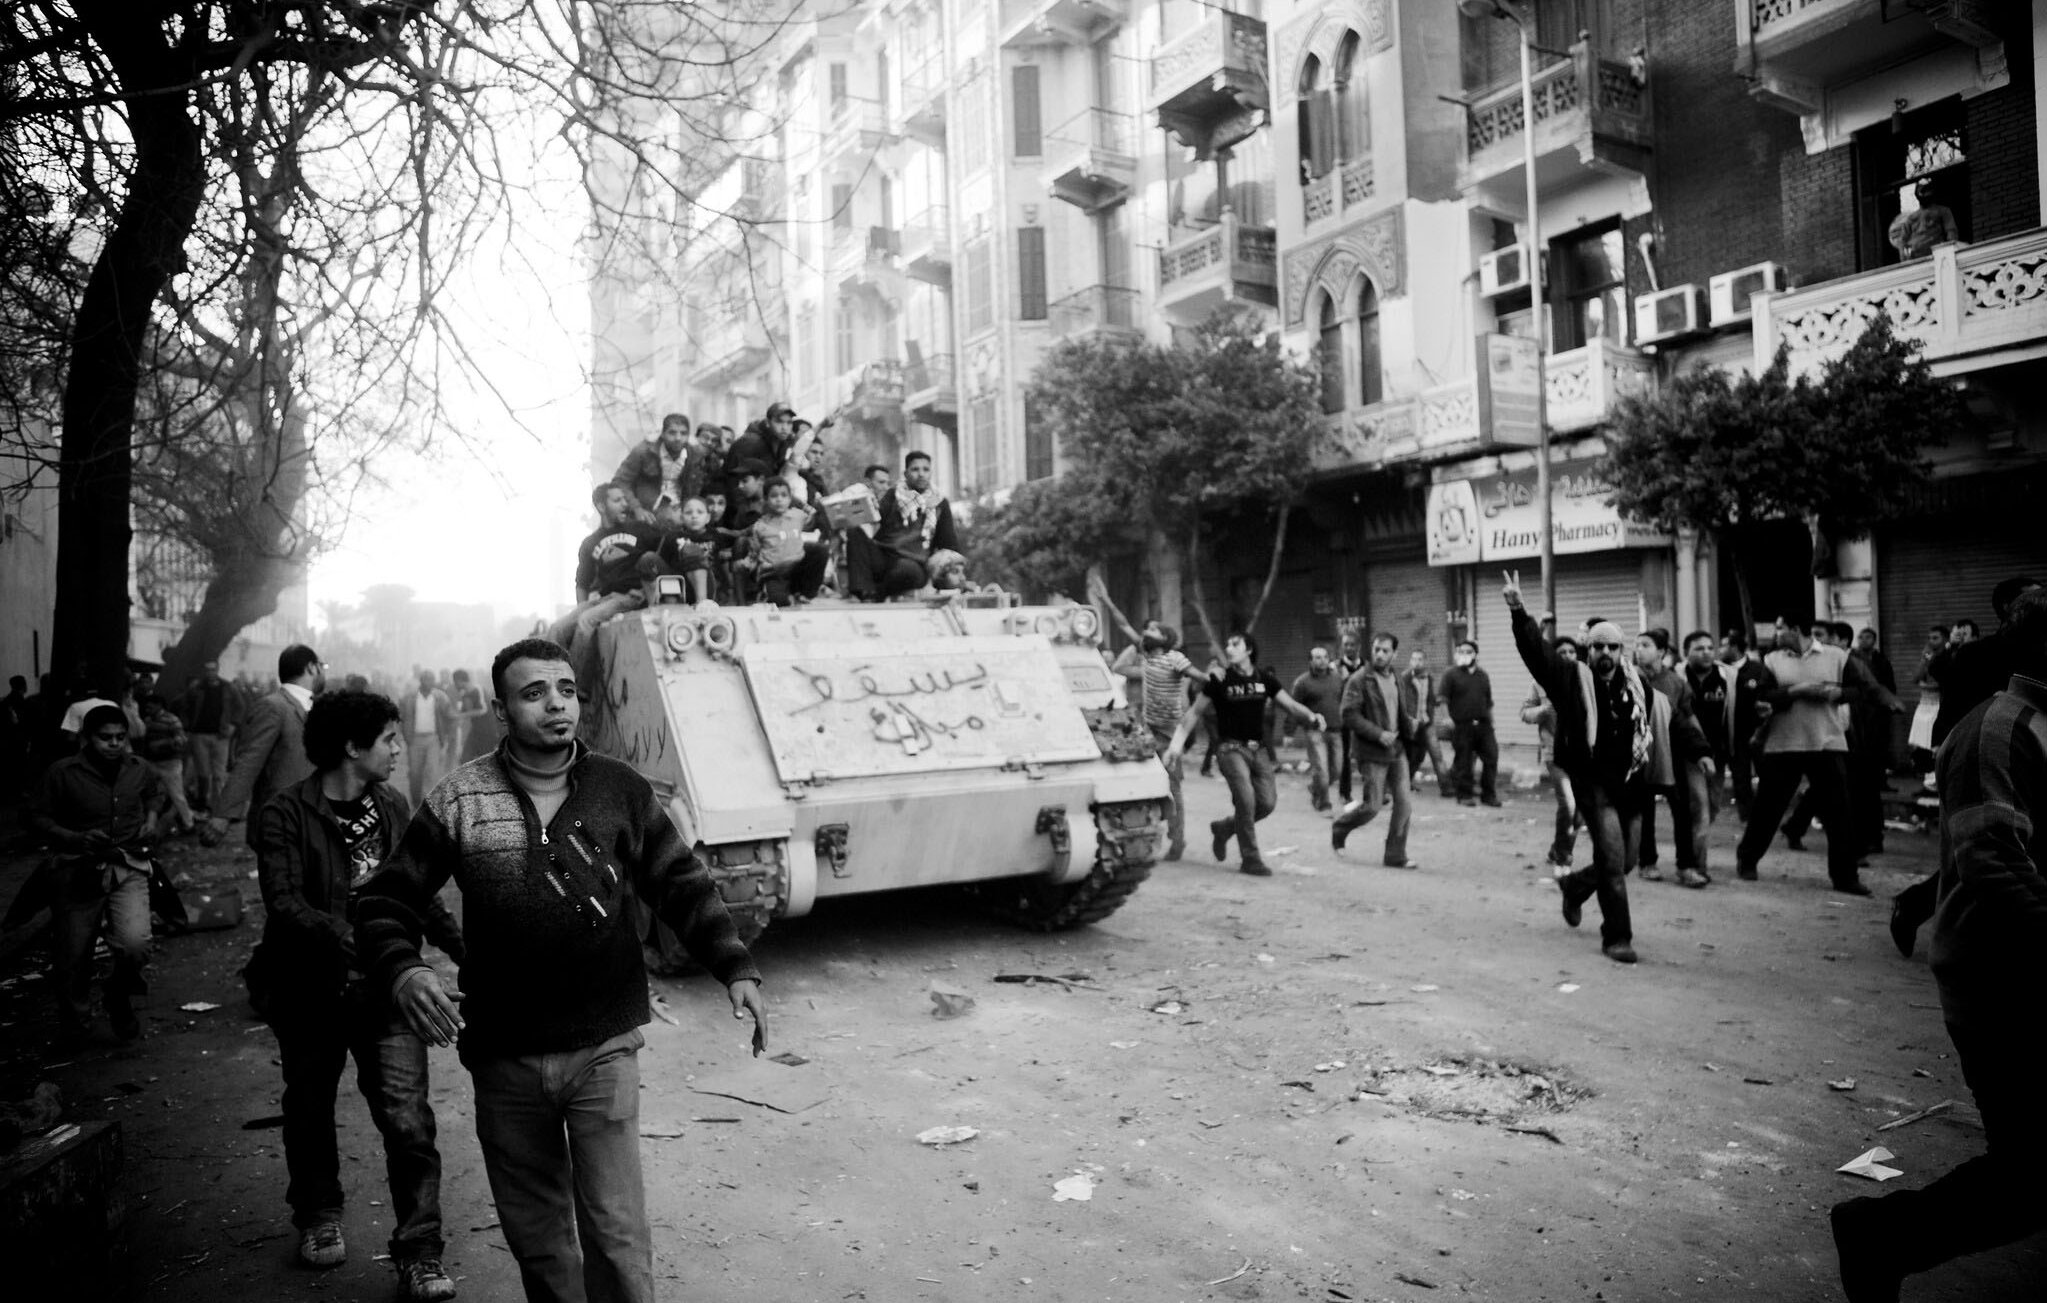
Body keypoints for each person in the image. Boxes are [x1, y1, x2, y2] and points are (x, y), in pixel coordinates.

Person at [354, 639, 767, 1303]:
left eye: (567, 690)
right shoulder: (462, 798)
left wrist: (734, 963)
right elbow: (383, 897)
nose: (556, 704)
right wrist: (403, 969)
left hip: (602, 1047)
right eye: (534, 692)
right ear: (501, 710)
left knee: (617, 1233)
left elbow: (680, 881)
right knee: (541, 1242)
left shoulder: (618, 790)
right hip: (504, 1056)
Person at [1829, 588, 2047, 1303]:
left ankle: (1880, 1235)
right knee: (2029, 1173)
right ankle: (1880, 1235)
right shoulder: (1999, 728)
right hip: (2003, 986)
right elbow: (1990, 856)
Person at [253, 690, 463, 1299]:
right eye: (390, 739)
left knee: (409, 1122)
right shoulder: (284, 813)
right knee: (310, 1107)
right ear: (352, 747)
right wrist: (359, 940)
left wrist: (466, 951)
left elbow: (417, 894)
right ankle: (318, 1215)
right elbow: (286, 903)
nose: (400, 749)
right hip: (310, 991)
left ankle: (420, 1253)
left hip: (386, 995)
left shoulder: (394, 806)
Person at [1504, 575, 1676, 965]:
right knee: (1614, 860)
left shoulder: (1638, 687)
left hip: (1631, 786)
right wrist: (1518, 611)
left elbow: (1666, 723)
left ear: (1621, 651)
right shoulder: (1570, 678)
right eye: (1597, 645)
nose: (1605, 653)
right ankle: (1617, 937)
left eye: (1613, 647)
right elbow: (1536, 653)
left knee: (1628, 860)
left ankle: (1575, 886)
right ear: (1588, 647)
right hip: (1593, 783)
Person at [1890, 577, 2042, 957]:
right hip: (1975, 761)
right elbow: (1950, 694)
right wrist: (1945, 744)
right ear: (2012, 609)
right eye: (2034, 596)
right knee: (1979, 849)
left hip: (2002, 759)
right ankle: (1924, 914)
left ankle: (1917, 908)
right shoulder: (1979, 658)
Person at [28, 705, 168, 1042]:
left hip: (128, 865)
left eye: (121, 737)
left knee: (136, 944)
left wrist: (150, 822)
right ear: (87, 738)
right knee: (74, 955)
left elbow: (156, 793)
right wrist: (74, 837)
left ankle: (118, 995)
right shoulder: (61, 773)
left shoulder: (139, 768)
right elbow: (35, 817)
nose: (114, 744)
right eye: (106, 738)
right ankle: (76, 1025)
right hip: (77, 870)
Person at [1162, 632, 1329, 878]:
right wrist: (1175, 747)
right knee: (1246, 800)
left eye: (1235, 644)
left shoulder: (1265, 679)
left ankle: (1225, 828)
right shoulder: (1219, 680)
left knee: (1267, 803)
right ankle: (1250, 859)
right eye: (1227, 644)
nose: (1229, 648)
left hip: (1258, 750)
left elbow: (1291, 706)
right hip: (1230, 749)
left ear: (1249, 649)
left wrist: (1313, 718)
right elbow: (1193, 714)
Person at [1733, 616, 1879, 895]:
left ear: (1795, 629)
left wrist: (1838, 693)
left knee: (1839, 814)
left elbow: (1862, 690)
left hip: (1827, 742)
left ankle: (1845, 877)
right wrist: (1797, 691)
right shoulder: (1773, 659)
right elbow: (1764, 696)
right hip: (1784, 742)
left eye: (1780, 628)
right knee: (1768, 808)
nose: (1776, 634)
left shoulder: (1837, 656)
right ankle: (1748, 859)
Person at [208, 645, 323, 849]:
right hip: (280, 823)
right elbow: (249, 762)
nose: (324, 672)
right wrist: (223, 815)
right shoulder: (273, 707)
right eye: (322, 666)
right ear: (311, 668)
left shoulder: (316, 707)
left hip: (311, 822)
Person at [1109, 620, 1201, 860]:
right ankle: (1141, 836)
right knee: (1141, 786)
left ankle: (1177, 839)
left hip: (1171, 734)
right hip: (1147, 730)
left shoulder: (1175, 661)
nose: (1145, 633)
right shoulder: (1148, 663)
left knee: (1172, 788)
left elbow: (1194, 684)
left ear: (1165, 639)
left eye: (1152, 630)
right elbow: (1120, 663)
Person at [1631, 629, 1716, 890]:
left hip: (1672, 753)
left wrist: (1701, 751)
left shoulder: (1675, 683)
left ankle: (1686, 866)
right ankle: (1647, 862)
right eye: (1637, 645)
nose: (1639, 649)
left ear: (1661, 652)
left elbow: (1683, 720)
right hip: (1640, 755)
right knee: (1644, 810)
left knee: (1682, 811)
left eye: (1645, 645)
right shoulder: (1628, 678)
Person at [1331, 633, 1419, 869]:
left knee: (1404, 803)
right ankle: (1340, 828)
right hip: (1372, 751)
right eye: (1377, 649)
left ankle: (1395, 854)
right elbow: (1348, 714)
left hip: (1397, 749)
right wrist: (1378, 734)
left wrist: (1409, 724)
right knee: (1372, 806)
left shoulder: (1397, 678)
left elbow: (1397, 710)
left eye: (1385, 651)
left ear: (1394, 654)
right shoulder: (1359, 679)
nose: (1380, 654)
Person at [549, 484, 663, 651]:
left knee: (586, 621)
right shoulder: (590, 542)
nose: (625, 504)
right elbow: (582, 582)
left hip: (632, 596)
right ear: (601, 506)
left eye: (625, 499)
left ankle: (579, 677)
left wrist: (651, 591)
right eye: (617, 500)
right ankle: (557, 672)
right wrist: (582, 607)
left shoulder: (640, 529)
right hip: (604, 599)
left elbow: (663, 554)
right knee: (556, 630)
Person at [847, 451, 960, 599]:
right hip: (885, 557)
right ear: (906, 473)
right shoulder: (893, 495)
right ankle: (862, 591)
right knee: (855, 533)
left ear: (931, 473)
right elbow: (875, 519)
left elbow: (948, 543)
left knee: (906, 570)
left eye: (925, 469)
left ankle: (876, 594)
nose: (921, 474)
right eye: (915, 469)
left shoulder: (939, 503)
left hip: (915, 563)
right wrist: (864, 507)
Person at [1523, 637, 1582, 869]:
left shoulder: (1585, 679)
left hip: (1581, 754)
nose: (1567, 655)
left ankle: (1558, 847)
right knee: (1569, 803)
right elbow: (1525, 713)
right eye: (1562, 652)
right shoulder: (1540, 683)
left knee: (1578, 808)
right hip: (1554, 753)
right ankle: (1564, 854)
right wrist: (1543, 710)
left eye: (1571, 651)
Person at [739, 478, 829, 606]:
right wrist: (746, 563)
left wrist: (819, 507)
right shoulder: (760, 526)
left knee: (820, 550)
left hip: (797, 569)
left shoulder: (798, 516)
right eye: (774, 496)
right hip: (773, 574)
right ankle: (768, 594)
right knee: (780, 602)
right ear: (765, 499)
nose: (779, 500)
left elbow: (815, 519)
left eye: (784, 495)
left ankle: (805, 594)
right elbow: (754, 553)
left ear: (790, 498)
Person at [611, 412, 707, 521]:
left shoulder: (694, 455)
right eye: (672, 433)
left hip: (680, 510)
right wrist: (637, 508)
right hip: (647, 510)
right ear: (663, 434)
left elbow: (696, 487)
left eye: (683, 433)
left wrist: (689, 510)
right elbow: (621, 481)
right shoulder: (644, 451)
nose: (678, 438)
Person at [177, 659, 243, 814]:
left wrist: (234, 724)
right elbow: (183, 705)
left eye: (213, 669)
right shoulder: (197, 687)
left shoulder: (228, 687)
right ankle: (203, 803)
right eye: (207, 670)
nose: (210, 673)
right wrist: (187, 726)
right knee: (203, 772)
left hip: (221, 735)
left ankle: (217, 806)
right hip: (200, 734)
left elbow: (240, 706)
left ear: (217, 670)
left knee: (219, 773)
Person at [1441, 639, 1498, 806]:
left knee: (1491, 757)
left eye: (1468, 651)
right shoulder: (1450, 674)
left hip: (1483, 724)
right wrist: (1446, 718)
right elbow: (1443, 699)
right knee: (1464, 761)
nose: (1464, 655)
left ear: (1475, 655)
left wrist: (1492, 722)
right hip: (1461, 725)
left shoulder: (1483, 675)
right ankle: (1464, 795)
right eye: (1461, 651)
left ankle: (1488, 795)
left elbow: (1488, 701)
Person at [1290, 647, 1347, 814]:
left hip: (1336, 730)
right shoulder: (1302, 682)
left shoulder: (1338, 679)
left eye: (1324, 657)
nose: (1322, 660)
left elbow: (1344, 701)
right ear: (1310, 661)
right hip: (1315, 732)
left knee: (1336, 770)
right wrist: (1289, 731)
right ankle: (1324, 803)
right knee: (1322, 769)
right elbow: (1294, 707)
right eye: (1317, 657)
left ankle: (1315, 789)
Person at [136, 694, 197, 835]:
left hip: (170, 763)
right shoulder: (148, 720)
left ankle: (189, 824)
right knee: (154, 794)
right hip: (153, 763)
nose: (147, 709)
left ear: (159, 705)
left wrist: (163, 744)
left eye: (150, 706)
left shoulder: (172, 720)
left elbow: (181, 740)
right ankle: (151, 825)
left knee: (177, 795)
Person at [1401, 648, 1451, 797]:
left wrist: (1434, 709)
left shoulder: (1429, 678)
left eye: (1420, 659)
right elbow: (1401, 701)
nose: (1416, 662)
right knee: (1413, 756)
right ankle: (1405, 784)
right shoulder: (1404, 678)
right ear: (1410, 661)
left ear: (1425, 661)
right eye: (1414, 659)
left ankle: (1446, 788)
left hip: (1427, 724)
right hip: (1411, 724)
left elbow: (1431, 698)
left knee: (1437, 755)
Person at [404, 671, 457, 807]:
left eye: (433, 680)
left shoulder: (440, 696)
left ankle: (430, 803)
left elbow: (449, 714)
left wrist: (448, 734)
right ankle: (416, 801)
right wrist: (404, 736)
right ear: (421, 681)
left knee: (432, 771)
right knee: (415, 772)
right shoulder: (410, 697)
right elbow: (403, 717)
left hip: (433, 738)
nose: (431, 683)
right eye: (428, 680)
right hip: (415, 739)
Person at [656, 496, 719, 606]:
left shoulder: (715, 536)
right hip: (680, 585)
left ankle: (702, 603)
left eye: (700, 512)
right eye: (688, 513)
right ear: (682, 517)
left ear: (708, 518)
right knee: (648, 559)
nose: (694, 516)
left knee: (691, 549)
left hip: (706, 585)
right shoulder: (672, 537)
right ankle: (664, 605)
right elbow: (661, 564)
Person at [1887, 178, 1961, 261]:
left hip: (1936, 255)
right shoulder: (1911, 218)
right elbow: (1903, 242)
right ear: (1917, 194)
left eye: (1927, 190)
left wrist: (1950, 252)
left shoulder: (1943, 211)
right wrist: (1904, 261)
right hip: (1916, 257)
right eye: (1922, 191)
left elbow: (1951, 232)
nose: (1925, 194)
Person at [1333, 632, 1364, 804]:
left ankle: (1372, 793)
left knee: (1365, 754)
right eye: (1346, 645)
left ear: (1358, 646)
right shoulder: (1334, 667)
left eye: (1352, 644)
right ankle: (1345, 793)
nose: (1349, 648)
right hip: (1343, 717)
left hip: (1362, 716)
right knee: (1344, 756)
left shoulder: (1366, 666)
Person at [450, 669, 494, 764]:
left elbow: (483, 710)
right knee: (465, 759)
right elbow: (462, 713)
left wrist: (461, 715)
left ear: (460, 680)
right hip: (475, 730)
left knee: (486, 761)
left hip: (488, 731)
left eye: (455, 682)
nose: (454, 684)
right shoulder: (464, 694)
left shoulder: (478, 689)